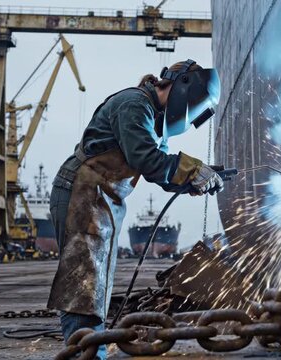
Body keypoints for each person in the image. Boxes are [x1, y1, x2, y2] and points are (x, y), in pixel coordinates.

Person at [47, 59, 222, 359]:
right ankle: (85, 354)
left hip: (100, 198)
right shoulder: (134, 105)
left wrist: (194, 180)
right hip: (81, 192)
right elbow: (148, 160)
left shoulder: (154, 119)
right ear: (182, 87)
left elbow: (160, 168)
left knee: (95, 283)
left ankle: (91, 349)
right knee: (84, 284)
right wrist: (192, 171)